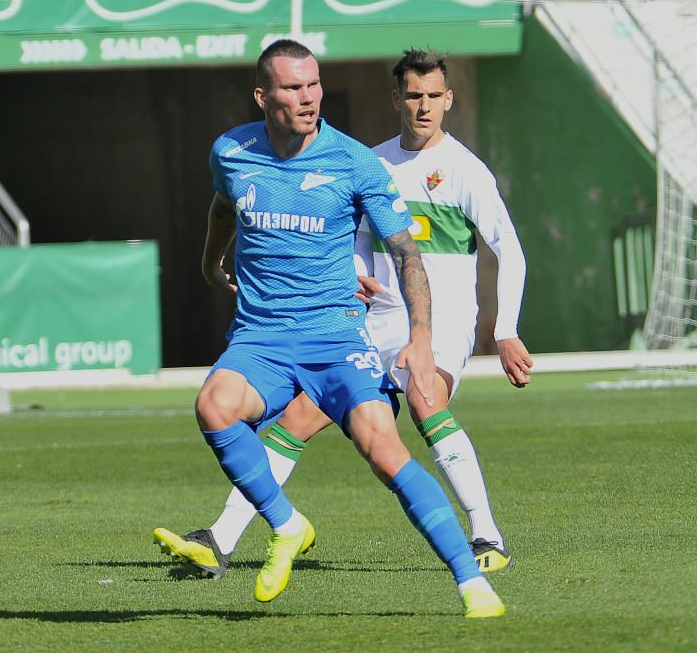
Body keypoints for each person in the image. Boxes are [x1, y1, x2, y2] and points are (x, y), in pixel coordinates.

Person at [154, 40, 504, 618]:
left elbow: (407, 253)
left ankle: (473, 580)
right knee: (213, 406)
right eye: (294, 88)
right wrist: (209, 262)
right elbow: (223, 206)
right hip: (262, 337)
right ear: (263, 96)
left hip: (336, 339)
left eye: (314, 84)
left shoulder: (354, 162)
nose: (309, 97)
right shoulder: (231, 152)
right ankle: (287, 525)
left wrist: (421, 340)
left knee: (384, 451)